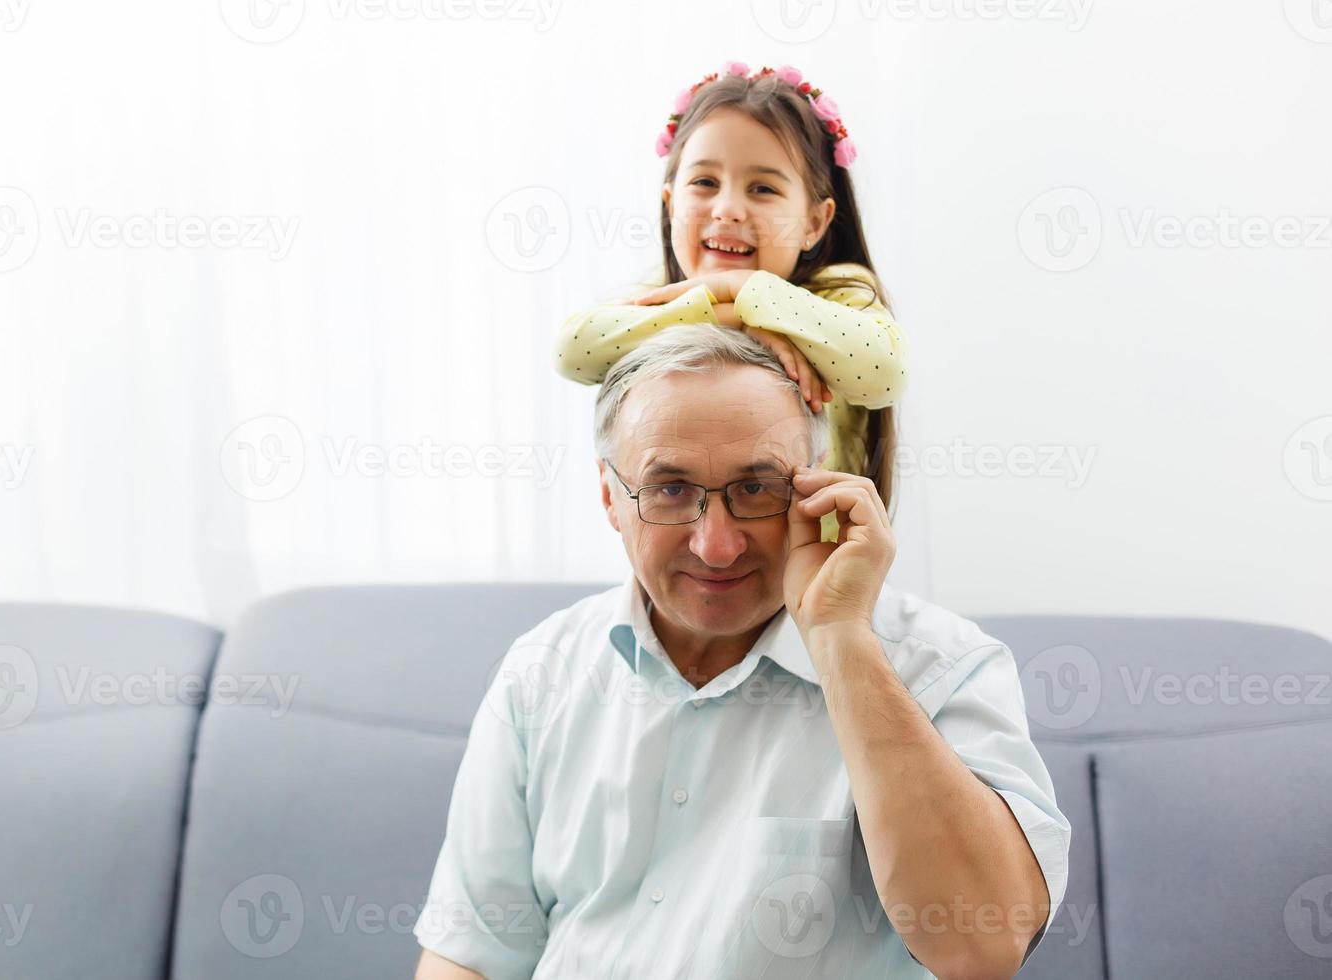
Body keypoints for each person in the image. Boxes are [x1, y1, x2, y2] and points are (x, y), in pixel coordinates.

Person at [414, 325, 1069, 979]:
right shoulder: (542, 670)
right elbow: (470, 957)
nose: (716, 545)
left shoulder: (942, 666)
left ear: (815, 489)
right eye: (670, 489)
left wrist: (840, 637)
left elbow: (980, 948)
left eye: (756, 489)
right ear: (611, 497)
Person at [554, 60, 909, 544]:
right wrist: (730, 315)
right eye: (704, 183)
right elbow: (572, 351)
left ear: (814, 222)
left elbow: (882, 374)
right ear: (671, 204)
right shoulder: (664, 295)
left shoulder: (836, 294)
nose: (727, 209)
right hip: (697, 548)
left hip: (811, 565)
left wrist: (744, 291)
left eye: (762, 188)